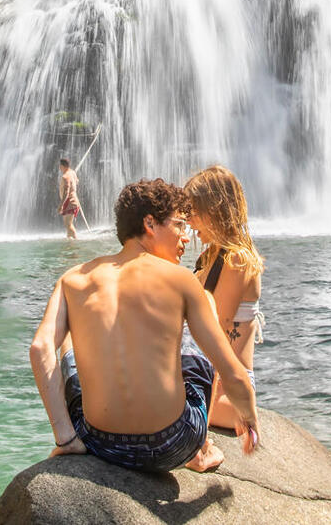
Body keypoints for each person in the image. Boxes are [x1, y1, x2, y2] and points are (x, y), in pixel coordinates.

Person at [29, 179, 261, 474]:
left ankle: (70, 437)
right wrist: (250, 418)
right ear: (150, 223)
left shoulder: (73, 278)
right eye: (179, 224)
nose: (186, 237)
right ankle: (201, 450)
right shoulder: (181, 280)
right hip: (174, 442)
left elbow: (40, 349)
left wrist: (67, 436)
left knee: (69, 338)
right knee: (206, 304)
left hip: (99, 442)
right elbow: (230, 371)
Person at [184, 165, 264, 434]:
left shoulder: (237, 259)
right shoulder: (208, 258)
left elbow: (217, 335)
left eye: (193, 212)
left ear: (214, 210)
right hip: (205, 374)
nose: (189, 221)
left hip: (229, 387)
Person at [56, 158, 83, 239]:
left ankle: (76, 240)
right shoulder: (72, 172)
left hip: (70, 202)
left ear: (62, 166)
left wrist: (61, 205)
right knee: (67, 224)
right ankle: (69, 240)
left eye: (60, 166)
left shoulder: (65, 177)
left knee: (68, 224)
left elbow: (66, 193)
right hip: (72, 202)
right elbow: (77, 181)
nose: (59, 167)